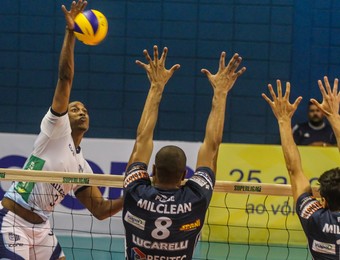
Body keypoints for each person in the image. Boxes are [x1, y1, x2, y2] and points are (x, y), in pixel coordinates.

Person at [0, 1, 123, 259]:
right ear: (64, 115)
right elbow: (65, 78)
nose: (81, 111)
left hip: (42, 228)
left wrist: (133, 196)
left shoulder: (83, 167)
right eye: (74, 108)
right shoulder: (56, 129)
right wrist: (70, 34)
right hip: (12, 220)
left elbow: (100, 210)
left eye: (84, 109)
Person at [122, 45, 246, 259]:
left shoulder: (135, 192)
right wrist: (220, 93)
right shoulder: (195, 197)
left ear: (152, 170)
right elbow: (212, 146)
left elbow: (142, 140)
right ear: (183, 176)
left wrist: (156, 86)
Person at [262, 76, 340, 259]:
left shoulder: (314, 217)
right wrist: (334, 116)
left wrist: (283, 120)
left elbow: (294, 170)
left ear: (323, 201)